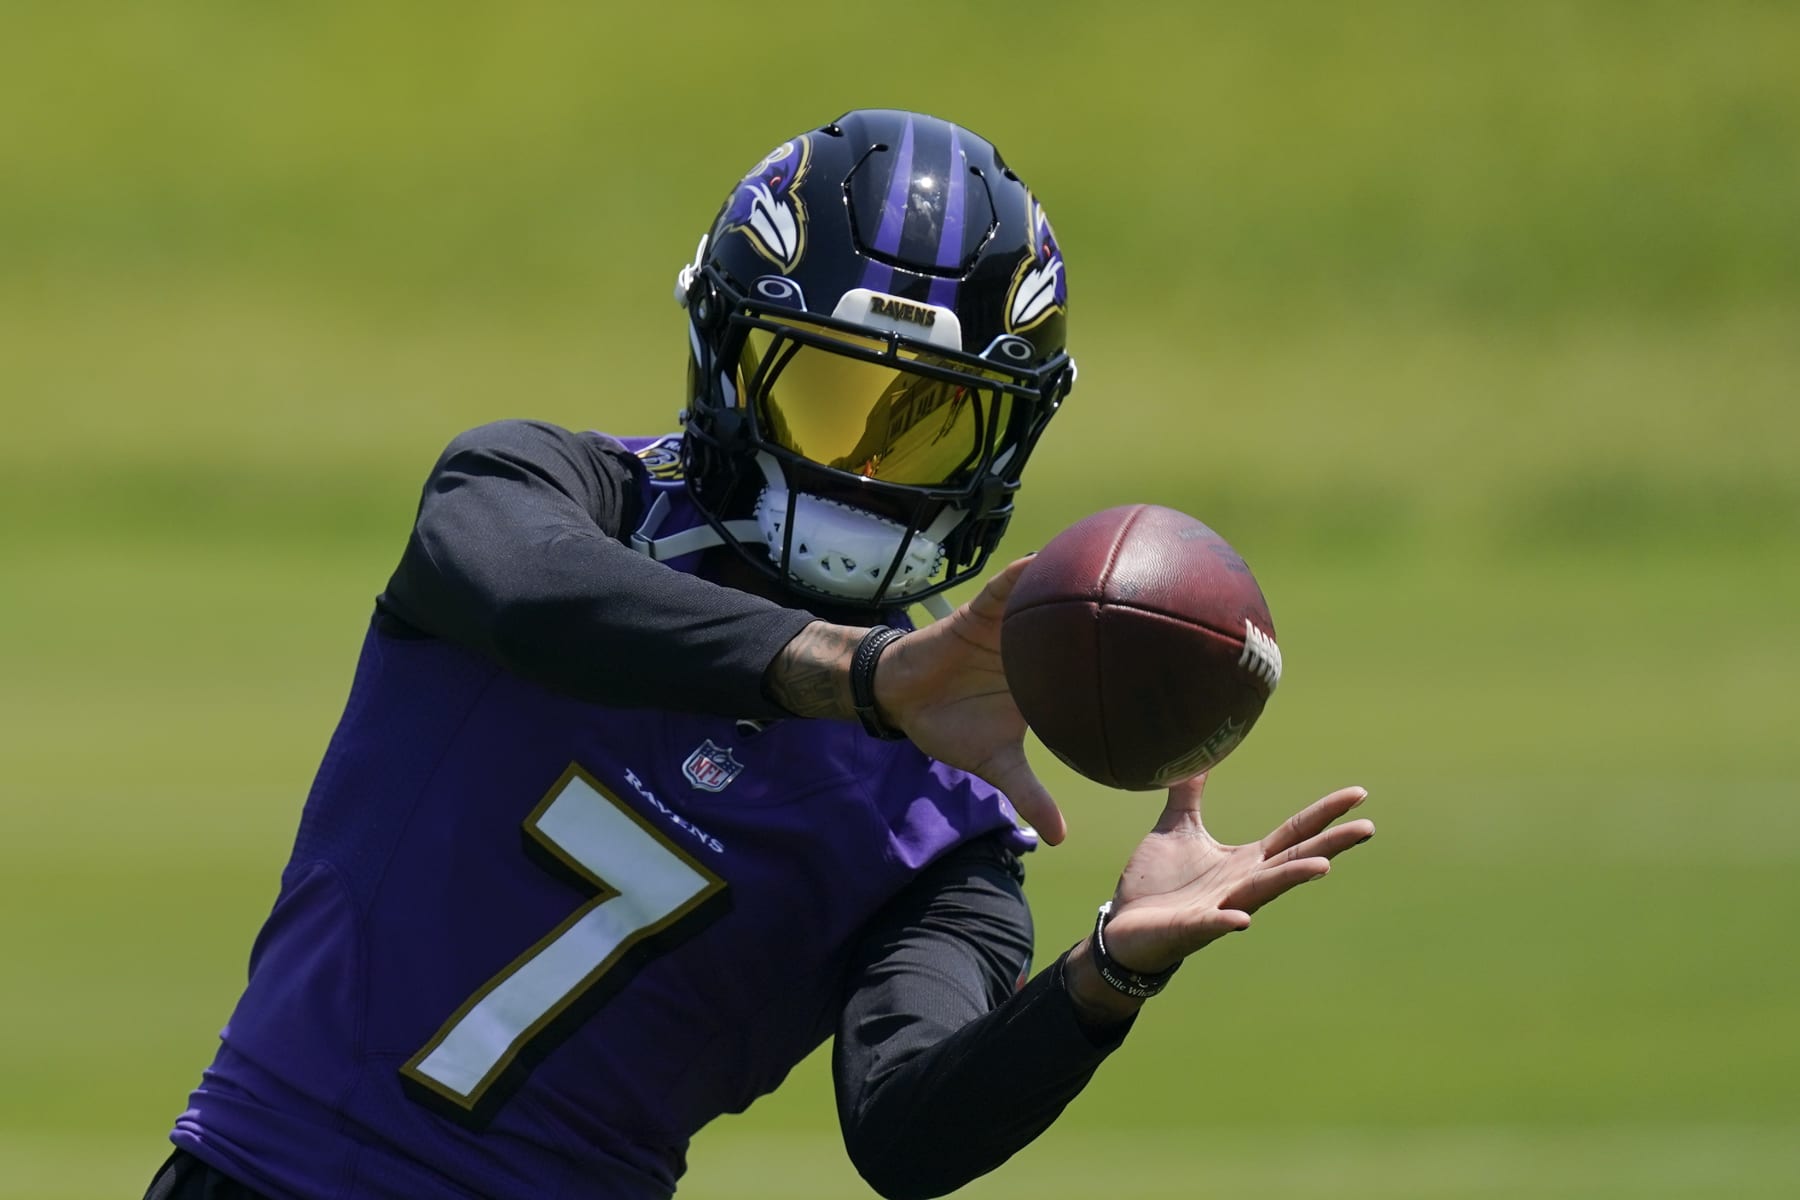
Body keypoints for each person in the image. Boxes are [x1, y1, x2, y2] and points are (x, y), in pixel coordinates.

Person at [146, 108, 1375, 1200]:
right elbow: (522, 589)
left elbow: (908, 1131)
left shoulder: (952, 808)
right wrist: (861, 680)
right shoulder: (554, 495)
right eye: (828, 401)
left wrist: (1107, 973)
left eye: (932, 424)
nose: (868, 469)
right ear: (729, 359)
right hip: (268, 1175)